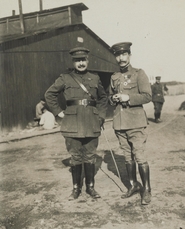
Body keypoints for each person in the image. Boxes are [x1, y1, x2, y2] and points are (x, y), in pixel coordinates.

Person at [45, 47, 108, 200]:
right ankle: (76, 189)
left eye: (83, 59)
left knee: (90, 156)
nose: (80, 63)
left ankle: (90, 188)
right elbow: (49, 94)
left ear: (88, 60)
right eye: (77, 60)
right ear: (73, 62)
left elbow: (103, 98)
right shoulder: (65, 78)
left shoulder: (95, 78)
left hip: (92, 122)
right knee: (75, 156)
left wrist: (100, 116)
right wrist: (58, 112)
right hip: (72, 123)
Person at [109, 42, 152, 205]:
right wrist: (112, 99)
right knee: (128, 157)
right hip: (120, 124)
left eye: (124, 54)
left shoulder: (139, 73)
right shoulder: (114, 77)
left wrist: (129, 98)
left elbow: (147, 96)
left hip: (136, 123)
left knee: (139, 156)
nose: (121, 58)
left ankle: (146, 190)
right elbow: (109, 97)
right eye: (118, 55)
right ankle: (133, 185)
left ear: (129, 55)